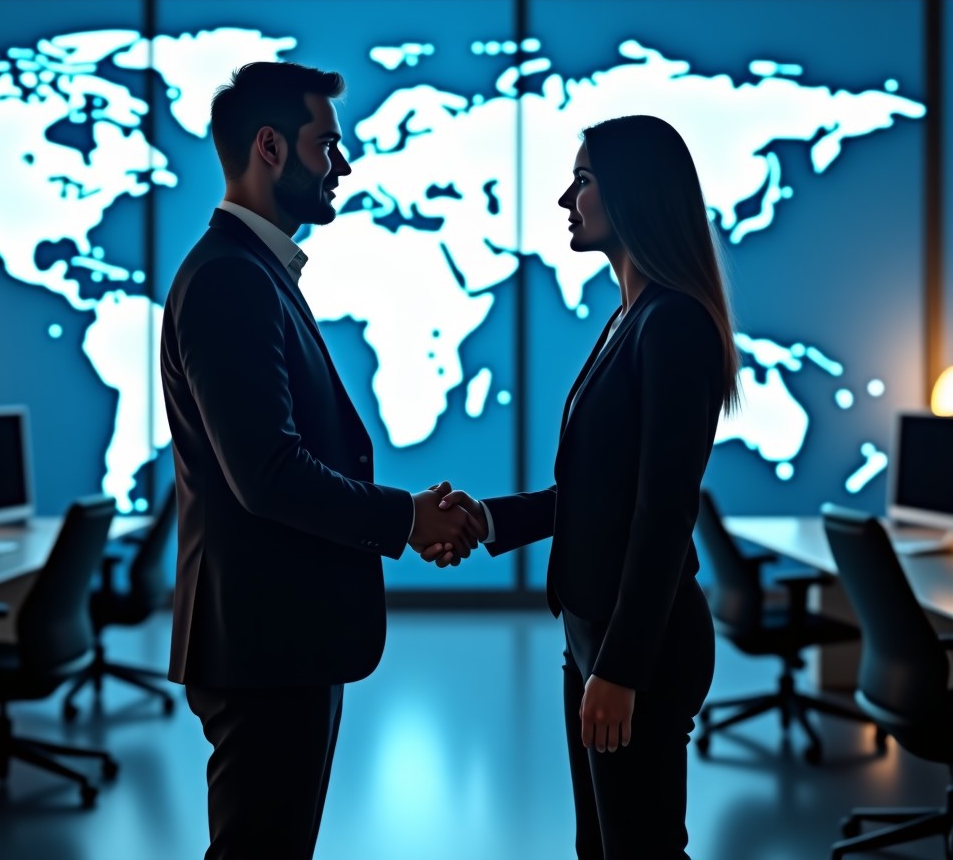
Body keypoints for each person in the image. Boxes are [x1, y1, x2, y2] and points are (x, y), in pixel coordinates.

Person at [160, 61, 485, 860]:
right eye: (326, 144)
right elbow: (268, 471)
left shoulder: (253, 270)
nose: (342, 164)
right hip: (266, 642)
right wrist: (407, 518)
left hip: (278, 633)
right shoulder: (232, 279)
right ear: (271, 148)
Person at [423, 115, 741, 859]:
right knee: (599, 846)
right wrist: (488, 520)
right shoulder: (628, 319)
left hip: (641, 644)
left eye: (584, 181)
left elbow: (662, 514)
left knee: (639, 849)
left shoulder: (673, 325)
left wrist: (621, 669)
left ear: (633, 195)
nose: (567, 199)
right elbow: (603, 493)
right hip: (594, 631)